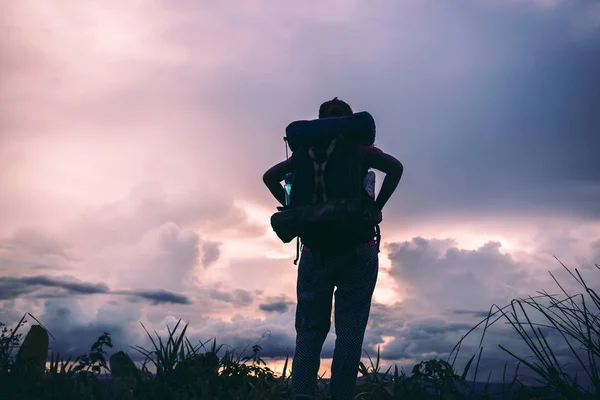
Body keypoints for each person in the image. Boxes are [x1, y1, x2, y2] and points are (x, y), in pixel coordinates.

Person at [262, 98, 404, 399]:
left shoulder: (303, 155)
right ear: (349, 122)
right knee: (350, 334)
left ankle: (302, 394)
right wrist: (377, 207)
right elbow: (395, 167)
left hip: (315, 251)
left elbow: (269, 177)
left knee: (309, 332)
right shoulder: (359, 150)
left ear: (319, 121)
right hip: (359, 249)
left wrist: (294, 207)